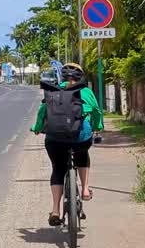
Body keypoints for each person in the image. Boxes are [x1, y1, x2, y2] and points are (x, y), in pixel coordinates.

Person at [31, 62, 103, 226]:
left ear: (62, 77)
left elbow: (43, 111)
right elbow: (97, 111)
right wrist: (98, 126)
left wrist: (37, 127)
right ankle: (85, 189)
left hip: (55, 138)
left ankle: (55, 210)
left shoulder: (53, 90)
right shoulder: (86, 91)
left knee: (58, 168)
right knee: (83, 155)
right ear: (80, 77)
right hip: (80, 136)